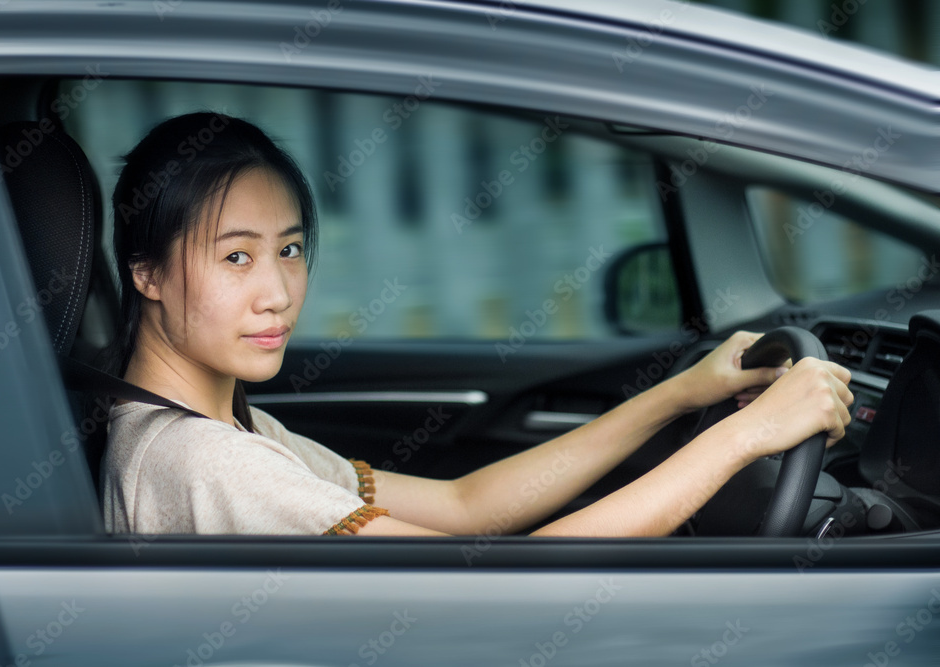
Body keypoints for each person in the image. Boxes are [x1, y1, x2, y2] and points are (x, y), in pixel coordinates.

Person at [99, 112, 853, 538]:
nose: (277, 293)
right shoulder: (204, 463)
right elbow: (502, 586)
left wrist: (681, 394)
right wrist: (747, 435)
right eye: (236, 257)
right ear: (147, 271)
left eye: (290, 250)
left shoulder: (228, 430)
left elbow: (466, 507)